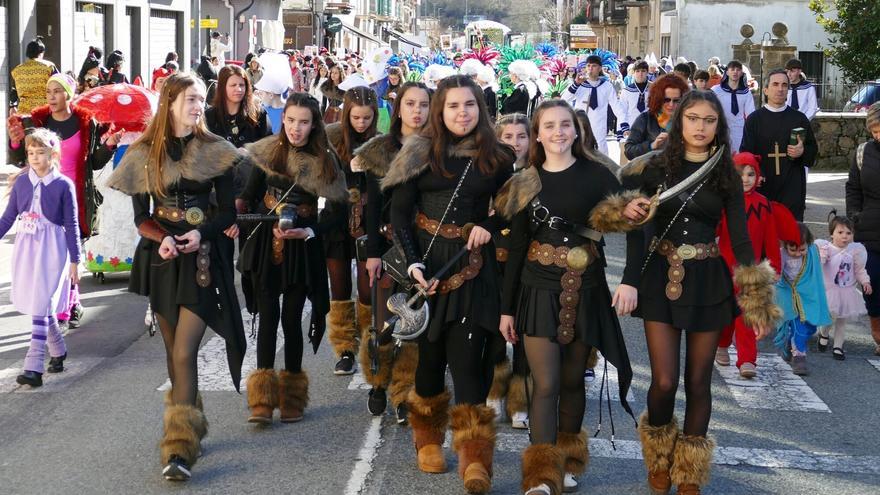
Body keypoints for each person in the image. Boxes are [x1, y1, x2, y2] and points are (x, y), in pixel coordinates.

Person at [590, 90, 777, 495]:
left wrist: (757, 300)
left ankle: (689, 472)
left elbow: (741, 239)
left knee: (699, 382)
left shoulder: (725, 170)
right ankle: (658, 459)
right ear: (680, 121)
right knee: (663, 382)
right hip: (661, 275)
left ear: (718, 126)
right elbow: (637, 224)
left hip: (708, 279)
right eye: (692, 118)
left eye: (709, 120)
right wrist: (630, 281)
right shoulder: (655, 167)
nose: (700, 127)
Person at [106, 73, 246, 481]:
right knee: (172, 354)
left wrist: (199, 232)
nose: (198, 105)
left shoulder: (216, 150)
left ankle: (179, 448)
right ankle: (193, 419)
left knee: (185, 352)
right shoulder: (145, 153)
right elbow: (141, 219)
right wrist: (163, 239)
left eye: (201, 98)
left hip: (202, 259)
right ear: (169, 102)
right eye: (190, 99)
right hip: (162, 258)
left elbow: (228, 213)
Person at [382, 75, 515, 494]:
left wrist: (489, 226)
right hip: (429, 270)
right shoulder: (418, 153)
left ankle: (475, 459)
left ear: (481, 109)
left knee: (469, 362)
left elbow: (511, 210)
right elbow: (400, 215)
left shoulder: (498, 157)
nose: (463, 113)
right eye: (454, 106)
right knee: (429, 361)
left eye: (470, 105)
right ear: (440, 111)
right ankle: (427, 438)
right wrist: (414, 264)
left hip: (474, 271)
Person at [495, 100, 634, 495]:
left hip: (585, 289)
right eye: (549, 126)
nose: (558, 132)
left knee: (574, 381)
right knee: (547, 383)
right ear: (537, 134)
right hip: (537, 289)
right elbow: (517, 248)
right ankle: (541, 474)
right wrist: (507, 309)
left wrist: (629, 279)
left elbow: (635, 221)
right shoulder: (525, 179)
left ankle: (568, 460)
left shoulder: (599, 174)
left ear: (576, 130)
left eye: (565, 125)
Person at [237, 92, 348, 424]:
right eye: (290, 121)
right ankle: (261, 399)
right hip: (267, 242)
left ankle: (293, 396)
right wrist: (236, 218)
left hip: (303, 246)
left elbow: (338, 211)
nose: (296, 129)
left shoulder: (327, 159)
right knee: (269, 317)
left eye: (303, 122)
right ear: (282, 119)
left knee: (292, 319)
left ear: (314, 124)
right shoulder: (268, 150)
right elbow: (249, 195)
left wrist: (310, 231)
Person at [7, 73, 122, 329]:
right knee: (52, 256)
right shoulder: (37, 121)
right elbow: (20, 154)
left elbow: (94, 162)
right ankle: (67, 304)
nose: (51, 97)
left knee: (71, 251)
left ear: (68, 95)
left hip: (75, 197)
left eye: (57, 91)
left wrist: (110, 145)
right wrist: (15, 141)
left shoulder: (86, 123)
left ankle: (68, 304)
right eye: (49, 92)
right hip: (44, 194)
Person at [351, 81, 431, 423]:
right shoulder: (379, 149)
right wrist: (371, 251)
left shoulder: (437, 148)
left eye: (424, 104)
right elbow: (371, 207)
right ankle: (379, 384)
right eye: (411, 103)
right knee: (384, 324)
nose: (417, 111)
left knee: (413, 325)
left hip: (424, 246)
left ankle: (403, 393)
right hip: (385, 244)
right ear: (399, 108)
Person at [0, 129, 79, 387]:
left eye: (40, 152)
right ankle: (58, 350)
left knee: (42, 300)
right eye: (30, 153)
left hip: (53, 248)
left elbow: (72, 224)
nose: (34, 158)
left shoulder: (63, 185)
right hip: (27, 247)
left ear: (53, 154)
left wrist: (75, 261)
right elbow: (9, 216)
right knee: (39, 303)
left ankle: (33, 367)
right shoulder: (22, 182)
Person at [715, 152, 799, 378]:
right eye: (740, 174)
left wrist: (776, 268)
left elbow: (771, 240)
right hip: (724, 268)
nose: (746, 179)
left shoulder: (764, 205)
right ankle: (722, 345)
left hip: (751, 271)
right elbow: (712, 232)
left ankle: (747, 360)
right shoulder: (724, 203)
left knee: (748, 315)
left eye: (751, 174)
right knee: (725, 312)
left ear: (758, 177)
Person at [205, 65, 273, 318]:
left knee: (249, 258)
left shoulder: (257, 114)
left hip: (251, 196)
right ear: (222, 87)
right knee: (218, 258)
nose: (238, 89)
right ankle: (222, 306)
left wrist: (249, 151)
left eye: (242, 85)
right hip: (218, 198)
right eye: (233, 85)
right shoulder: (209, 118)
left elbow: (268, 152)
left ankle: (253, 305)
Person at [324, 86, 380, 375]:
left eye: (367, 118)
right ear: (347, 115)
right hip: (336, 216)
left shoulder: (380, 142)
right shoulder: (331, 138)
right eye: (356, 118)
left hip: (368, 220)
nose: (361, 123)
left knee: (367, 290)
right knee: (340, 287)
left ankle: (370, 344)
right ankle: (344, 348)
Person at [488, 113, 531, 430]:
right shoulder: (486, 173)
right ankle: (493, 391)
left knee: (524, 334)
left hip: (528, 263)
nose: (514, 143)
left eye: (521, 136)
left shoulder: (539, 174)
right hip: (492, 260)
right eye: (507, 137)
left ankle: (520, 399)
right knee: (493, 328)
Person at [740, 69, 818, 221]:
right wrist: (757, 173)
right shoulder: (754, 120)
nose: (780, 89)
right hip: (763, 187)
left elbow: (813, 152)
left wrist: (801, 152)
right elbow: (746, 153)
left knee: (791, 237)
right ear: (766, 90)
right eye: (775, 84)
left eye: (784, 85)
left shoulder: (799, 119)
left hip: (792, 187)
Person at [773, 224, 832, 376]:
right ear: (785, 245)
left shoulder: (813, 251)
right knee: (799, 326)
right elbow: (775, 272)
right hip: (787, 293)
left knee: (810, 326)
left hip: (807, 292)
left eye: (802, 249)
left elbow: (821, 264)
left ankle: (790, 343)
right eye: (793, 249)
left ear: (809, 244)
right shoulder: (780, 254)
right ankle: (799, 357)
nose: (798, 253)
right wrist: (775, 276)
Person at [845, 102, 880, 356]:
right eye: (874, 130)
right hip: (869, 227)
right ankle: (878, 331)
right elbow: (853, 188)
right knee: (873, 281)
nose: (878, 135)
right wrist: (853, 218)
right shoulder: (863, 152)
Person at [815, 214, 871, 361]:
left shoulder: (855, 251)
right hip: (830, 290)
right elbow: (819, 266)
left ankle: (838, 346)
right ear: (831, 234)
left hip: (846, 291)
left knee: (842, 320)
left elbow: (859, 270)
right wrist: (822, 256)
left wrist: (865, 282)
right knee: (830, 317)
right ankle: (824, 333)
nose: (844, 237)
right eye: (840, 233)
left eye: (848, 233)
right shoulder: (826, 249)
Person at [562, 55, 625, 155]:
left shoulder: (606, 86)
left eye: (594, 66)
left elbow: (617, 107)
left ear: (600, 68)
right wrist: (576, 84)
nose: (590, 68)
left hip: (599, 128)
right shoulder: (579, 85)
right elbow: (564, 100)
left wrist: (623, 123)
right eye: (588, 66)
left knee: (601, 157)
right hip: (581, 127)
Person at [624, 74, 689, 160]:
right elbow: (629, 151)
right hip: (651, 170)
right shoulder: (645, 119)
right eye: (666, 100)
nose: (671, 104)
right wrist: (652, 145)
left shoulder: (688, 120)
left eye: (677, 100)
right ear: (658, 98)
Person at [711, 60, 754, 152]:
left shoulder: (746, 93)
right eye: (732, 69)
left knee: (738, 158)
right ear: (727, 72)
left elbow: (751, 115)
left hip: (739, 130)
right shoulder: (716, 90)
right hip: (721, 129)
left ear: (742, 73)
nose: (735, 72)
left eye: (738, 70)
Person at [10, 36, 58, 114]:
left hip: (24, 111)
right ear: (41, 52)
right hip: (44, 110)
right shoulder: (49, 66)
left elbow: (14, 90)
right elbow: (59, 84)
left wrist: (12, 106)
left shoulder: (17, 70)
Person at [619, 61, 652, 140]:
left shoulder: (654, 88)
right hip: (632, 126)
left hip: (649, 128)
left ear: (647, 72)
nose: (640, 74)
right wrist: (624, 128)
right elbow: (622, 110)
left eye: (643, 71)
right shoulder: (627, 90)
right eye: (637, 71)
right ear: (633, 73)